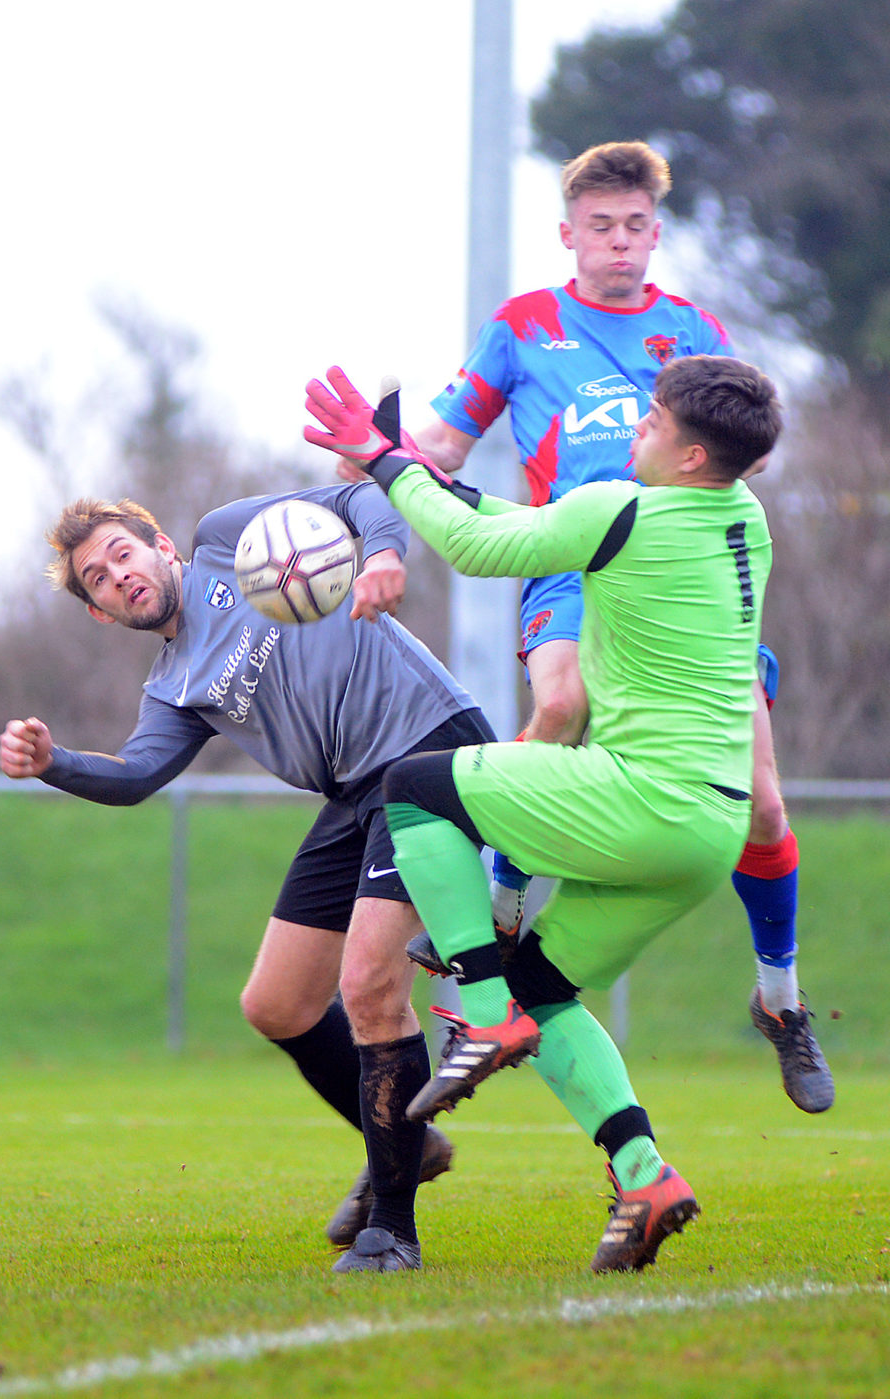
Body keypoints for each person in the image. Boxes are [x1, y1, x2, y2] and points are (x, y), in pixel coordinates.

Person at [306, 353, 788, 1272]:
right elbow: (528, 525)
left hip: (641, 798)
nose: (637, 428)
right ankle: (644, 1174)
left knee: (415, 788)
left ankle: (482, 1011)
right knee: (549, 987)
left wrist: (382, 461)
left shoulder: (624, 512)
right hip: (708, 832)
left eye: (653, 421)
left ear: (691, 456)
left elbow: (483, 549)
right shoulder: (742, 517)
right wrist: (425, 473)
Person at [400, 139, 831, 1113]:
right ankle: (505, 908)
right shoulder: (522, 327)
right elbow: (436, 443)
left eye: (637, 226)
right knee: (559, 700)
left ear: (656, 232)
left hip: (681, 580)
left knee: (762, 805)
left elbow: (741, 447)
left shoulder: (691, 329)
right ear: (568, 234)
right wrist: (376, 496)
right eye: (601, 227)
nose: (620, 245)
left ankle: (781, 1002)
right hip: (569, 559)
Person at [0, 482, 499, 1275]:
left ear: (162, 547)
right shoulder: (172, 685)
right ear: (100, 612)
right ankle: (408, 1141)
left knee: (370, 986)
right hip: (353, 792)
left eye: (122, 552)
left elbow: (363, 495)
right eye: (97, 577)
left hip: (426, 748)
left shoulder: (230, 540)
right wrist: (52, 762)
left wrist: (384, 556)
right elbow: (135, 774)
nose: (117, 574)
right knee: (276, 1002)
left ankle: (392, 1232)